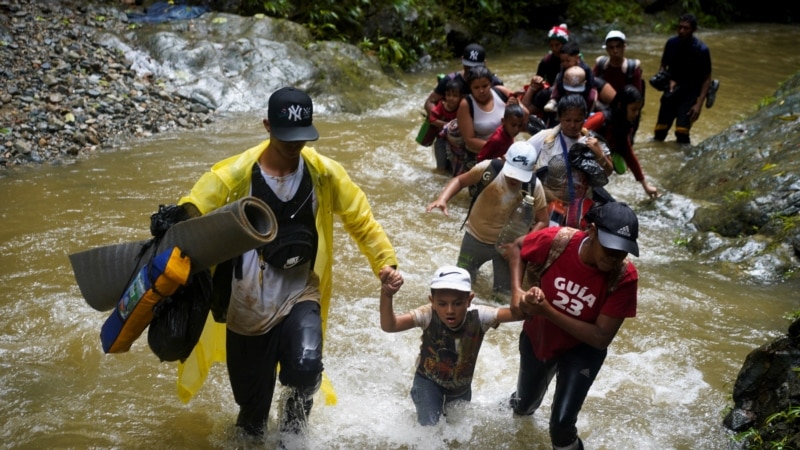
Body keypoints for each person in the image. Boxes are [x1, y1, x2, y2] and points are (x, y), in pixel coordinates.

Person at [176, 86, 400, 439]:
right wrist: (173, 222)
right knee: (251, 418)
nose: (295, 145)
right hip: (247, 303)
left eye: (302, 137)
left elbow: (361, 219)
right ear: (267, 126)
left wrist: (384, 261)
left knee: (306, 369)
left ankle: (293, 436)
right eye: (286, 137)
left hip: (300, 292)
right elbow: (193, 210)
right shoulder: (235, 176)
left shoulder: (324, 174)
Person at [506, 201, 640, 450]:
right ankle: (518, 399)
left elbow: (600, 337)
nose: (615, 258)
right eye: (610, 249)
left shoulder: (624, 277)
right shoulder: (557, 242)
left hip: (582, 351)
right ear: (591, 231)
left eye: (622, 252)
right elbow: (518, 247)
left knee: (561, 427)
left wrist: (547, 310)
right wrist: (516, 292)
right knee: (524, 407)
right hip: (540, 337)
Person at [378, 265, 521, 426]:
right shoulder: (427, 314)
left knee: (457, 434)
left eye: (458, 303)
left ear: (469, 300)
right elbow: (390, 326)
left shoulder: (480, 316)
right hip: (428, 383)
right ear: (432, 302)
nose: (450, 310)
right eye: (442, 304)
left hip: (461, 389)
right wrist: (387, 294)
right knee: (431, 428)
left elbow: (519, 313)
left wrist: (528, 297)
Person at [426, 141, 548, 300]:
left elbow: (543, 220)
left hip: (506, 248)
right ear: (504, 160)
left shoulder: (534, 186)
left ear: (532, 170)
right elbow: (460, 181)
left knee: (502, 297)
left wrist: (520, 244)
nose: (515, 178)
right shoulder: (489, 169)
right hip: (475, 238)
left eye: (521, 174)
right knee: (461, 287)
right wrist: (442, 199)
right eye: (512, 172)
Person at [528, 95, 613, 227]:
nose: (572, 125)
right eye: (567, 120)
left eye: (578, 120)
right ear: (559, 117)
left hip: (578, 210)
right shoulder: (544, 138)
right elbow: (521, 158)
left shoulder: (593, 142)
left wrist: (599, 154)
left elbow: (608, 172)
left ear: (585, 117)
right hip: (547, 206)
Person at [585, 85, 660, 199]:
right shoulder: (600, 119)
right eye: (633, 109)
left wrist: (646, 186)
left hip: (596, 171)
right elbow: (577, 134)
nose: (636, 114)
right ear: (620, 105)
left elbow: (629, 155)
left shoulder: (623, 126)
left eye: (638, 110)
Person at [652, 13, 715, 144]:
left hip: (691, 93)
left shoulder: (701, 50)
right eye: (679, 27)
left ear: (694, 30)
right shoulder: (671, 44)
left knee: (682, 133)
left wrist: (698, 105)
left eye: (686, 28)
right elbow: (663, 65)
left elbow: (706, 78)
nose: (682, 31)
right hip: (672, 89)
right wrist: (663, 79)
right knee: (659, 132)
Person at [451, 66, 522, 174]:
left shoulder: (501, 92)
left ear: (491, 83)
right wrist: (498, 147)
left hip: (506, 149)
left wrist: (516, 106)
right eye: (476, 87)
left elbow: (524, 118)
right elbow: (470, 140)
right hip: (479, 154)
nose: (481, 91)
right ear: (470, 87)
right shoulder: (466, 105)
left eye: (485, 86)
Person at [423, 43, 504, 116]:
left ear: (484, 63)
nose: (471, 70)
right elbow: (430, 101)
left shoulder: (494, 82)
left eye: (476, 67)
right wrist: (437, 119)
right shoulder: (449, 80)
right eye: (468, 66)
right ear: (462, 60)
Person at [593, 30, 644, 137]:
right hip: (603, 109)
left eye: (618, 47)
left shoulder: (632, 68)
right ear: (607, 49)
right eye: (611, 47)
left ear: (624, 47)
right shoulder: (601, 65)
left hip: (626, 111)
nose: (615, 51)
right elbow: (592, 88)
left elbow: (636, 96)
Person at [521, 24, 570, 118]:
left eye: (557, 45)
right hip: (549, 91)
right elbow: (539, 76)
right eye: (551, 45)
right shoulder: (546, 61)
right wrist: (537, 81)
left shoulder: (571, 58)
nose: (554, 48)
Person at [428, 79, 464, 172]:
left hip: (458, 144)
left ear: (461, 97)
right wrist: (449, 125)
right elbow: (432, 119)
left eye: (455, 96)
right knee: (441, 168)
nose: (451, 98)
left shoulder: (463, 107)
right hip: (442, 141)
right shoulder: (441, 105)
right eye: (448, 95)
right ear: (445, 95)